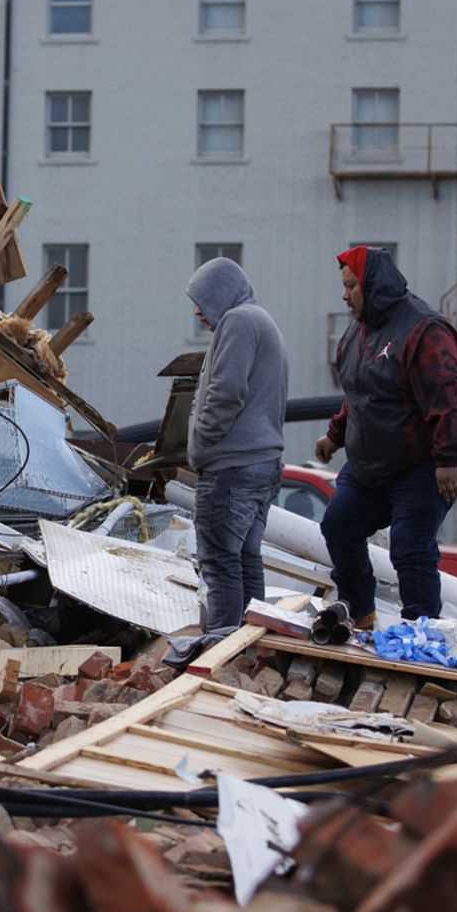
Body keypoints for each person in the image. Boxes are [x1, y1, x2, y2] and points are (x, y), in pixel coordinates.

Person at [315, 245, 457, 627]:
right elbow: (360, 395)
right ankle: (359, 614)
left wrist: (449, 459)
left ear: (373, 285)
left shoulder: (424, 330)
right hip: (371, 465)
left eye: (351, 286)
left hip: (423, 464)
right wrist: (334, 436)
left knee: (411, 549)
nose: (344, 294)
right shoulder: (355, 335)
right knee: (338, 525)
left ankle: (421, 635)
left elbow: (449, 397)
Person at [181, 257, 289, 656]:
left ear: (221, 295)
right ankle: (250, 656)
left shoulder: (239, 322)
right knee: (244, 561)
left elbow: (225, 394)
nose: (198, 311)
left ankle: (224, 660)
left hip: (233, 469)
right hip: (261, 465)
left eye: (203, 300)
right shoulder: (262, 321)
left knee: (221, 565)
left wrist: (200, 445)